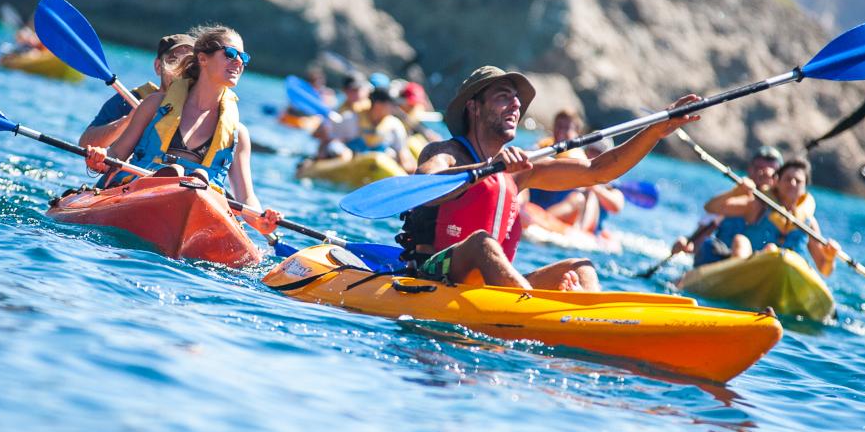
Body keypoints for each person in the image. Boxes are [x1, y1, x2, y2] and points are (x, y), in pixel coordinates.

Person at [397, 66, 701, 291]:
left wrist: (656, 130)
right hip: (435, 275)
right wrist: (483, 172)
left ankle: (588, 323)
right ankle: (530, 311)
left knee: (581, 268)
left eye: (517, 100)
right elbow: (423, 185)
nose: (517, 105)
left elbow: (599, 171)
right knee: (481, 244)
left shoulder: (518, 172)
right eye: (504, 97)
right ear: (474, 108)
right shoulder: (446, 152)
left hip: (494, 289)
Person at [83, 26, 280, 235]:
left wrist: (261, 221)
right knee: (179, 174)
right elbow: (116, 157)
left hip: (202, 206)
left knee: (199, 178)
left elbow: (246, 198)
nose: (239, 62)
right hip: (141, 190)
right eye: (230, 54)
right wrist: (98, 160)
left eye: (244, 57)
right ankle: (172, 180)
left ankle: (191, 185)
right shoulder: (154, 105)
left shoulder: (238, 134)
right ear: (203, 59)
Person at [699, 158, 840, 276]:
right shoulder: (758, 206)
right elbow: (711, 207)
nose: (792, 183)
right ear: (777, 182)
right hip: (753, 269)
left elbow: (825, 270)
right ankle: (737, 278)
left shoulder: (809, 223)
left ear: (805, 188)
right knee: (740, 241)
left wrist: (829, 257)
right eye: (788, 179)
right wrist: (736, 192)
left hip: (789, 274)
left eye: (798, 181)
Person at [80, 33, 195, 150]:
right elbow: (85, 144)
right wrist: (128, 121)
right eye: (173, 61)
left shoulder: (203, 113)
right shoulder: (129, 100)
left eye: (188, 64)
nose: (180, 70)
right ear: (158, 66)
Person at [674, 145, 785, 261]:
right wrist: (686, 244)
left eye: (772, 173)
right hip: (723, 263)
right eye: (758, 168)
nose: (763, 174)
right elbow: (696, 240)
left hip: (761, 266)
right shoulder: (728, 202)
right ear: (749, 169)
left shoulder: (784, 212)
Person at [315, 86, 417, 172]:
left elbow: (403, 154)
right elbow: (329, 142)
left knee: (391, 154)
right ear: (378, 105)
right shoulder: (351, 119)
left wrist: (407, 167)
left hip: (375, 163)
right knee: (341, 151)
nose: (395, 108)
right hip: (349, 158)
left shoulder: (395, 126)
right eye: (392, 104)